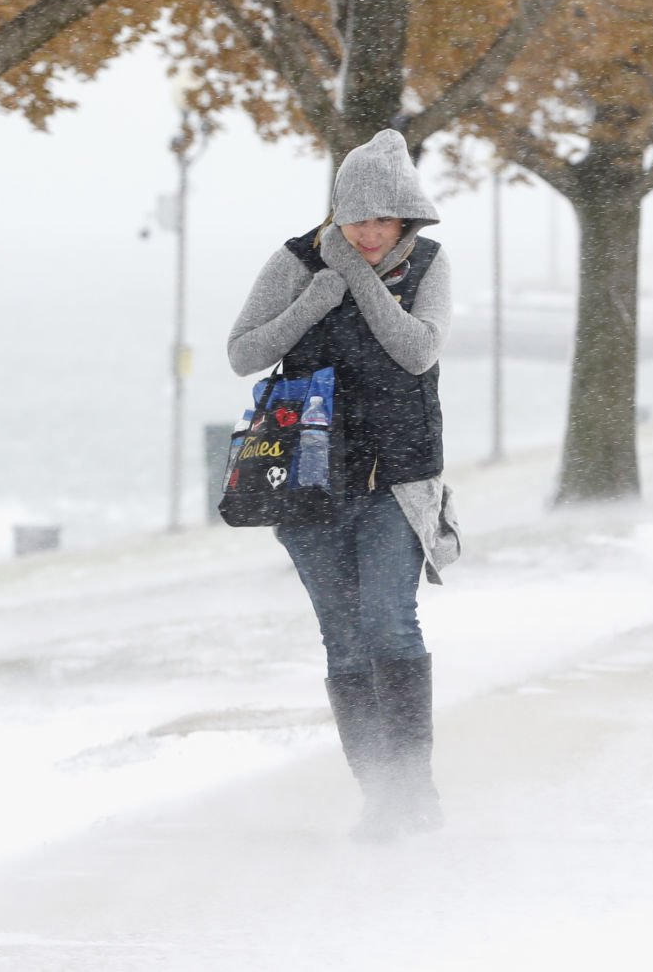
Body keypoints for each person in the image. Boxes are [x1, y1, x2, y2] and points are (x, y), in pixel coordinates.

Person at [227, 128, 459, 841]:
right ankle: (380, 793)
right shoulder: (295, 261)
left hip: (397, 479)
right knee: (342, 639)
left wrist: (356, 282)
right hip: (306, 480)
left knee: (389, 619)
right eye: (355, 218)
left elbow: (416, 351)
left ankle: (413, 785)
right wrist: (312, 299)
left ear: (405, 219)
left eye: (382, 219)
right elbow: (243, 352)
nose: (367, 232)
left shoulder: (427, 265)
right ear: (337, 213)